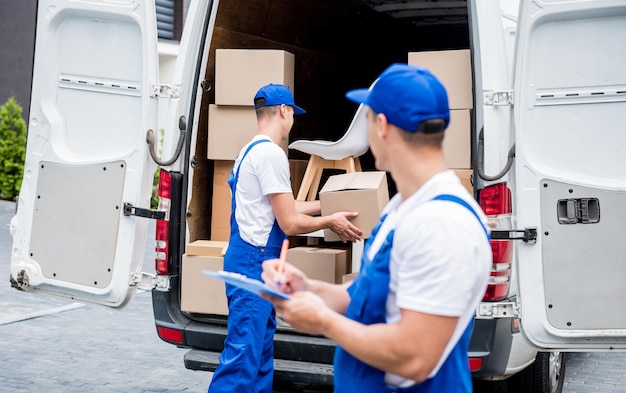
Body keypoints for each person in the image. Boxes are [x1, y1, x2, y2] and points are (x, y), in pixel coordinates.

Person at [261, 65, 492, 392]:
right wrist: (307, 289)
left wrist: (324, 322)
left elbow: (414, 357)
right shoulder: (403, 207)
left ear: (381, 126)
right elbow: (361, 299)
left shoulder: (443, 225)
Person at [207, 83, 363, 393]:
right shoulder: (271, 154)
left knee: (261, 355)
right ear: (283, 111)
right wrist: (329, 222)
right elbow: (289, 222)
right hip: (255, 260)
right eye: (292, 113)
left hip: (251, 258)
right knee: (242, 359)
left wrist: (329, 202)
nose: (292, 120)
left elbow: (282, 205)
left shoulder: (248, 150)